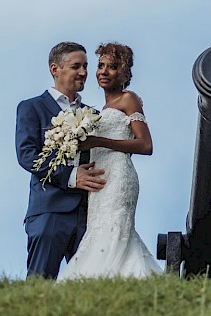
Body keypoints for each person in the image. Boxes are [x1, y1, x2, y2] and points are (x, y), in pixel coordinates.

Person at [60, 42, 161, 279]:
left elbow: (145, 145)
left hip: (118, 178)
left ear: (125, 73)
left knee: (114, 230)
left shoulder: (129, 99)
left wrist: (99, 141)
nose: (104, 71)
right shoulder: (100, 109)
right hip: (99, 180)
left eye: (112, 67)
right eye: (101, 65)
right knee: (98, 229)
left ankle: (106, 278)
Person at [15, 41, 108, 279]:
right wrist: (71, 176)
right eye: (76, 66)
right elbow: (27, 156)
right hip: (49, 210)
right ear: (55, 69)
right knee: (40, 286)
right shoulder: (31, 108)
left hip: (89, 213)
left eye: (86, 66)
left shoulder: (95, 115)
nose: (84, 73)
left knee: (90, 288)